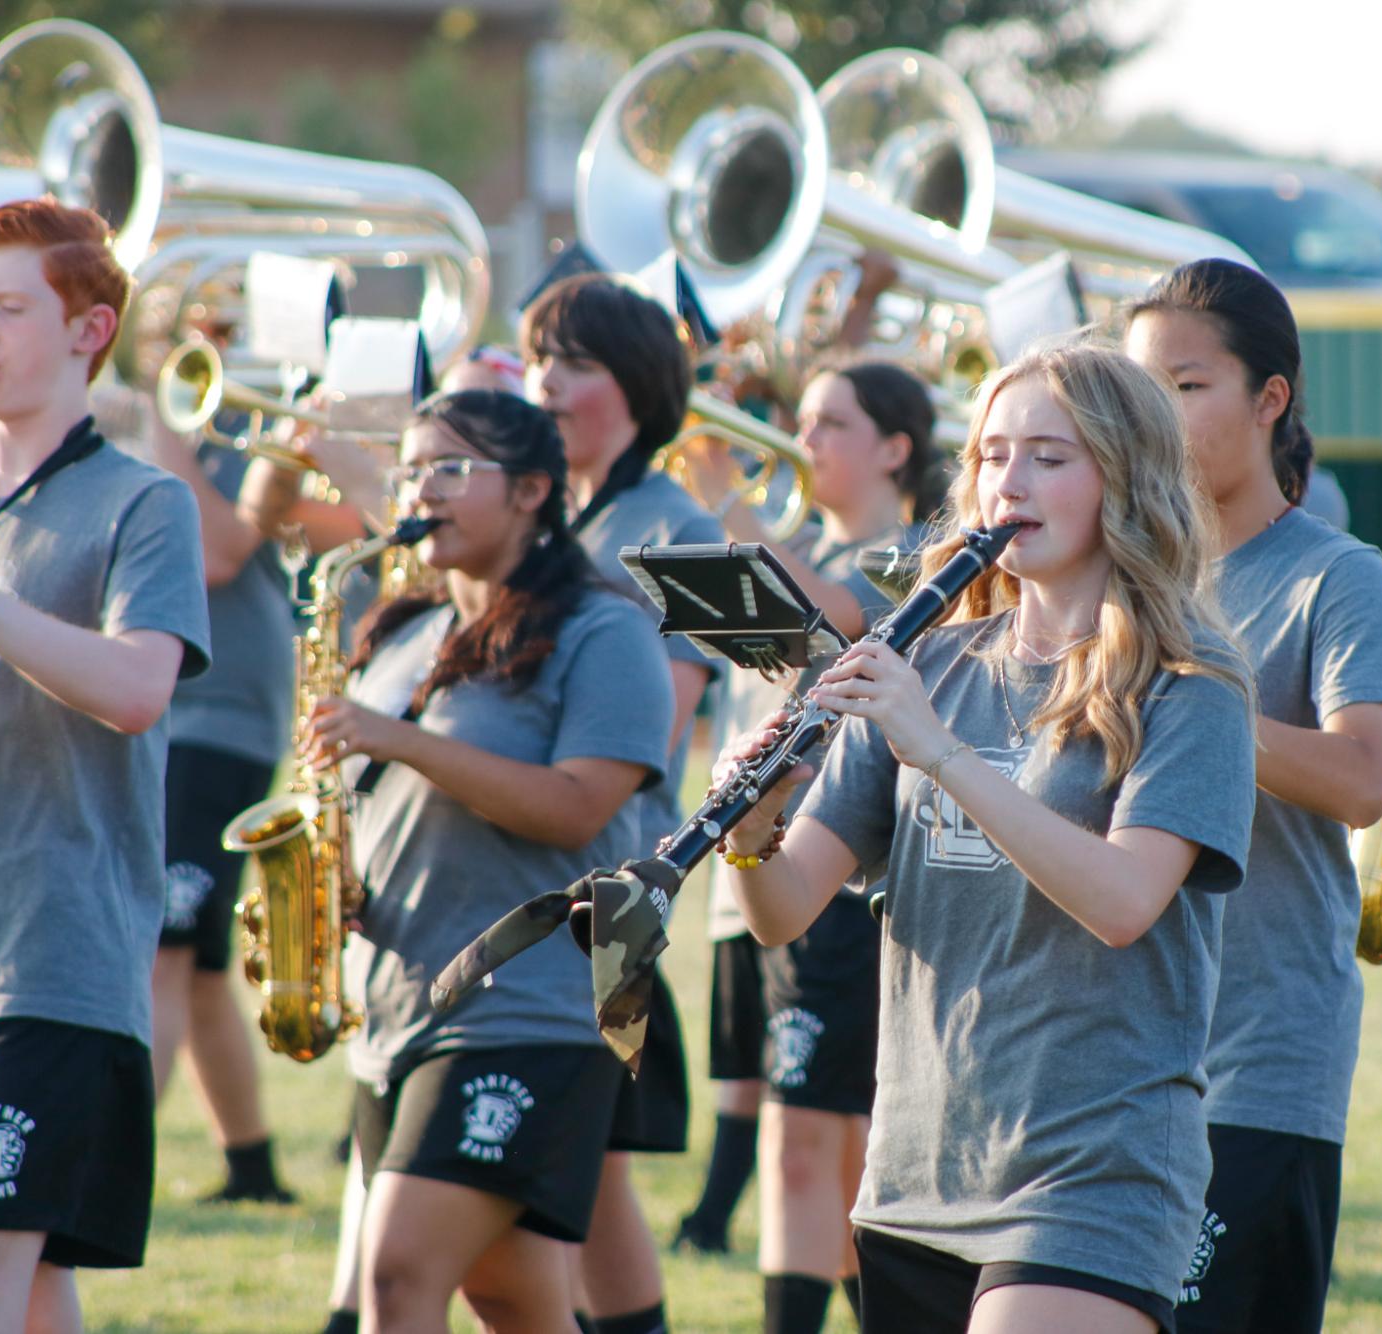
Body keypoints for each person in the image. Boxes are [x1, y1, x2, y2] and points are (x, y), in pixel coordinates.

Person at [716, 341, 1257, 1333]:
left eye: (1052, 456)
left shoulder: (1191, 683)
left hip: (1091, 1171)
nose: (1012, 481)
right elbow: (783, 908)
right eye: (994, 454)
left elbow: (1126, 901)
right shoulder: (928, 658)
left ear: (1124, 476)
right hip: (918, 1170)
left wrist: (940, 750)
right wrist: (750, 830)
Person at [319, 390, 672, 1333]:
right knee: (513, 1300)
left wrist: (400, 741)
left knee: (394, 1277)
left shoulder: (606, 629)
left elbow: (577, 808)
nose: (416, 490)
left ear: (530, 491)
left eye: (446, 468)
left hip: (533, 1008)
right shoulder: (404, 630)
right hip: (397, 1004)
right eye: (406, 469)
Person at [1122, 258, 1382, 1331]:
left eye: (1188, 383)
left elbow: (1358, 778)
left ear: (1270, 398)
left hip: (1258, 1060)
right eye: (1138, 387)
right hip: (1110, 1057)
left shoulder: (1337, 575)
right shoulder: (1114, 582)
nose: (1156, 413)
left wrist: (1190, 710)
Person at [0, 198, 212, 1333]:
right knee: (31, 1293)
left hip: (55, 953)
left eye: (7, 307)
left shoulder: (144, 500)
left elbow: (136, 688)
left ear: (89, 330)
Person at [684, 359, 945, 1334]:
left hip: (843, 880)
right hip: (762, 874)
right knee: (801, 1143)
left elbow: (836, 611)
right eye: (803, 419)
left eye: (832, 422)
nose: (806, 440)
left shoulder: (915, 553)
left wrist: (722, 499)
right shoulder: (795, 544)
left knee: (843, 1148)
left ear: (894, 447)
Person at [522, 273, 713, 1334]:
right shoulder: (550, 507)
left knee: (578, 1173)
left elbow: (660, 727)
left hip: (603, 877)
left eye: (576, 361)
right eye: (540, 354)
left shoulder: (674, 524)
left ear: (637, 387)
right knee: (584, 1176)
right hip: (525, 864)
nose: (546, 379)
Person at [141, 393, 300, 1208]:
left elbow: (221, 550)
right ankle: (252, 1166)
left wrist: (151, 414)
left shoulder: (231, 422)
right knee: (198, 967)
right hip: (178, 713)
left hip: (219, 711)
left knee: (161, 950)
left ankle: (107, 1166)